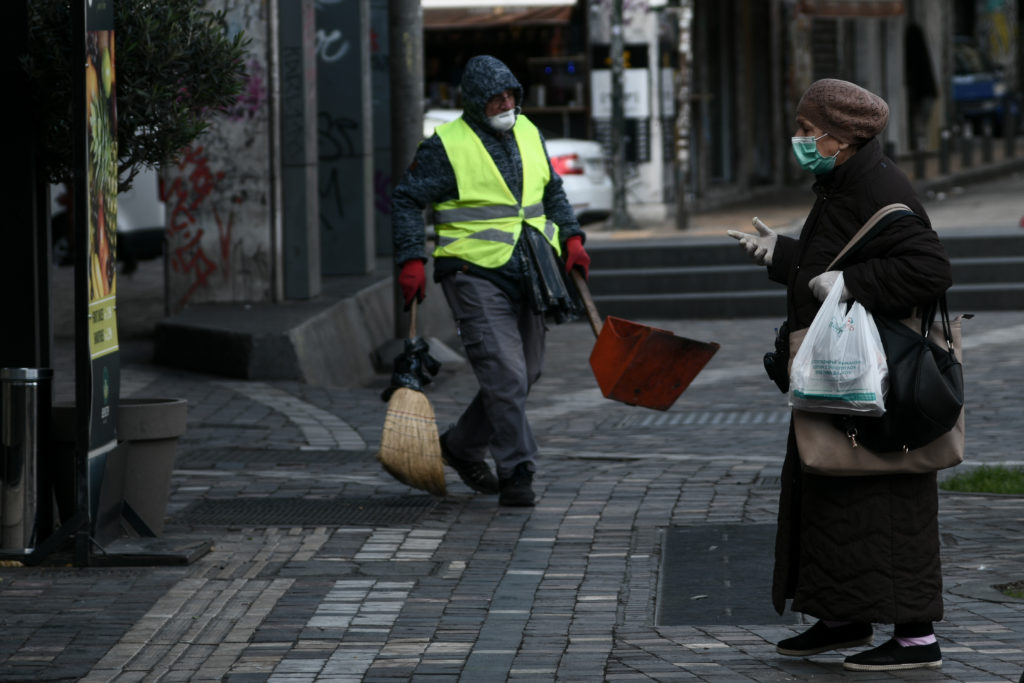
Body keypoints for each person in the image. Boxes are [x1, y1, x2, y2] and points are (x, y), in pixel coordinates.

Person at [728, 78, 953, 672]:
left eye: (808, 130)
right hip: (839, 374)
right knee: (830, 489)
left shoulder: (879, 184)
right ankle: (843, 616)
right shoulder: (839, 182)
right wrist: (780, 254)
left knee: (887, 501)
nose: (799, 139)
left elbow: (928, 268)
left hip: (877, 382)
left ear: (843, 138)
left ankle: (915, 639)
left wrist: (856, 285)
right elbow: (834, 258)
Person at [391, 55, 590, 508]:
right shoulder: (446, 145)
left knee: (526, 373)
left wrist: (572, 236)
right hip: (471, 270)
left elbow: (552, 192)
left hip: (532, 268)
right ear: (475, 102)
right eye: (496, 98)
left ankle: (460, 446)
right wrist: (410, 260)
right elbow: (406, 200)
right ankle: (518, 469)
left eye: (511, 95)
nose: (506, 104)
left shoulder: (529, 132)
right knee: (506, 372)